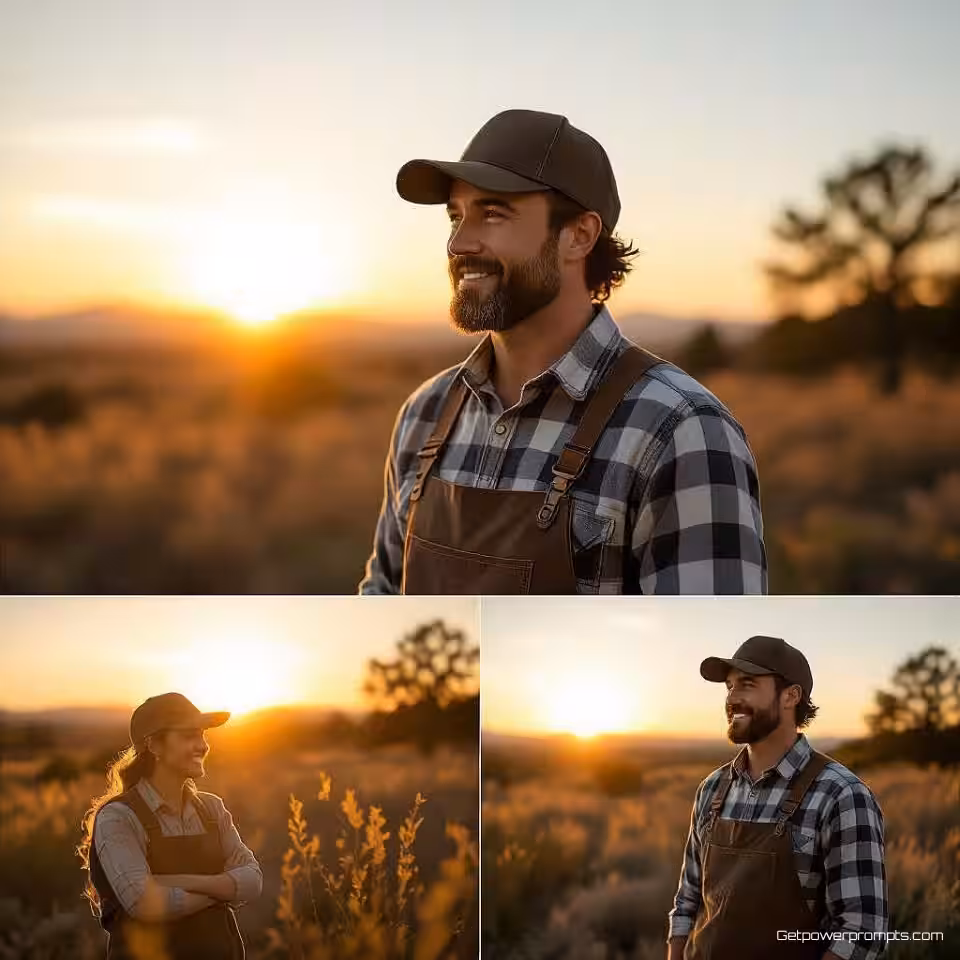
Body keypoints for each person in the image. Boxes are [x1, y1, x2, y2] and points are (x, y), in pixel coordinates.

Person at [360, 108, 766, 595]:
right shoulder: (424, 414)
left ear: (579, 236)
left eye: (492, 213)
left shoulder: (684, 431)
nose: (458, 242)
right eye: (455, 216)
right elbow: (381, 597)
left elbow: (693, 643)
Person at [668, 636, 887, 959]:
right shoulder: (712, 789)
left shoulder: (841, 795)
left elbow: (862, 932)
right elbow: (687, 902)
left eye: (747, 684)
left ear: (791, 696)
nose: (732, 698)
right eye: (729, 687)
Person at [78, 692, 262, 959]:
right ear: (154, 745)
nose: (203, 745)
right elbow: (145, 903)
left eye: (202, 735)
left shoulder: (212, 809)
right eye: (189, 736)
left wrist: (178, 882)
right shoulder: (118, 817)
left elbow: (253, 881)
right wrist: (222, 891)